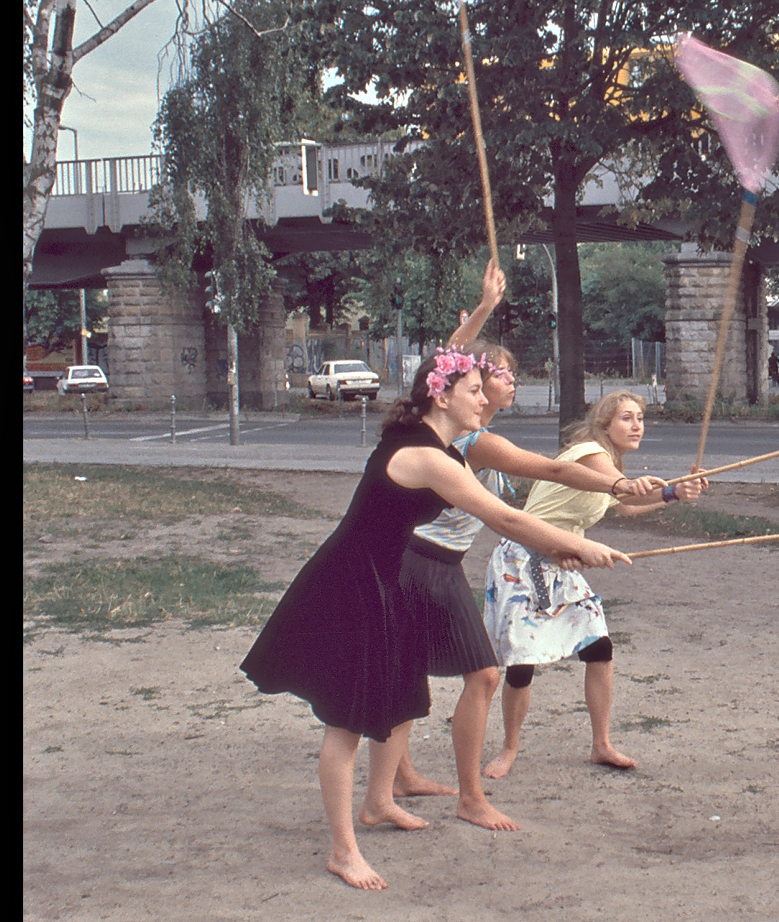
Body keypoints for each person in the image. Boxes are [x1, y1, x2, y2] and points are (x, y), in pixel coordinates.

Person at [240, 350, 631, 890]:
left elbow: (510, 506)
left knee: (390, 695)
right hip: (351, 583)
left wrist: (568, 546)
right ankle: (343, 850)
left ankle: (378, 803)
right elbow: (503, 517)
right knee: (346, 721)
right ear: (441, 396)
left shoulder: (438, 445)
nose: (483, 396)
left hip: (383, 578)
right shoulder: (424, 456)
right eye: (473, 389)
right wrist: (576, 545)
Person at [386, 346, 673, 824]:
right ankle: (465, 788)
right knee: (489, 671)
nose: (509, 384)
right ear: (452, 390)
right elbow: (532, 491)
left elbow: (517, 510)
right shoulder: (471, 440)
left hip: (460, 561)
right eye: (494, 378)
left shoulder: (475, 434)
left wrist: (658, 495)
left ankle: (407, 778)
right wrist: (611, 496)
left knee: (437, 669)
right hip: (432, 560)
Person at [483, 390, 701, 778]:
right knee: (522, 662)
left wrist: (672, 493)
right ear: (604, 425)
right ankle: (508, 749)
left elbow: (628, 503)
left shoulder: (610, 464)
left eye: (640, 418)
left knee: (599, 647)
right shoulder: (588, 453)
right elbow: (623, 487)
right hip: (525, 556)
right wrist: (638, 485)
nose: (637, 426)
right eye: (626, 418)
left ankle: (601, 745)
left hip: (563, 558)